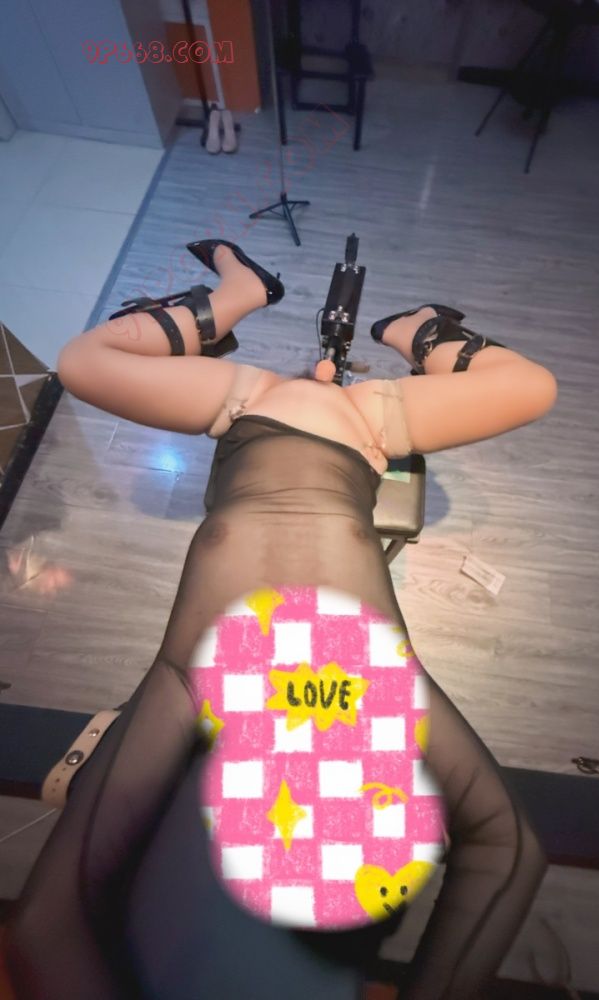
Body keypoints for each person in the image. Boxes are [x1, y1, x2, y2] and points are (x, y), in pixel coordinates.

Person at [2, 240, 558, 1000]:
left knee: (80, 363)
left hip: (251, 410)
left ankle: (238, 292)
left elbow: (43, 933)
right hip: (362, 429)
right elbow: (510, 849)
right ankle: (416, 328)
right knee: (534, 387)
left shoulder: (196, 680)